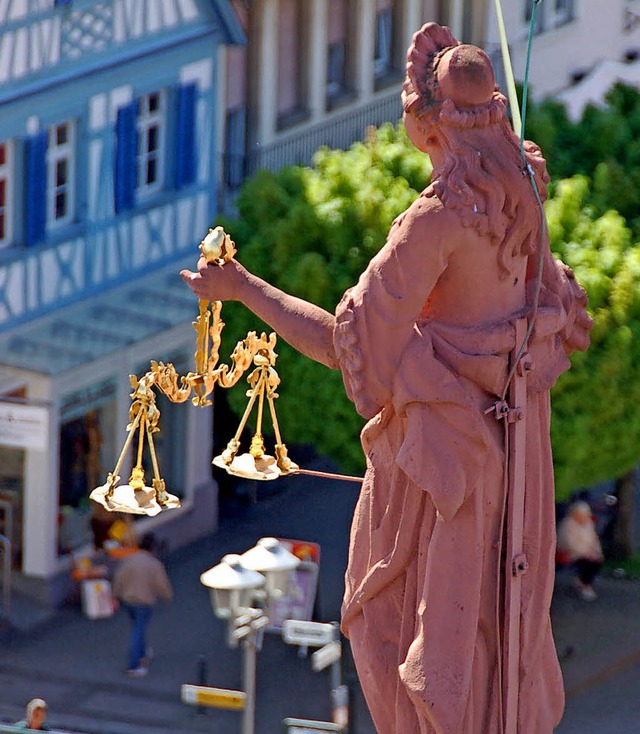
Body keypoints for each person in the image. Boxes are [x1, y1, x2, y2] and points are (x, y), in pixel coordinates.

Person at [181, 22, 592, 734]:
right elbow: (550, 306)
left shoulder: (433, 223)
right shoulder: (524, 189)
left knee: (403, 639)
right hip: (516, 449)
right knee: (500, 630)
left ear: (423, 120)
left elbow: (348, 342)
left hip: (447, 468)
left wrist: (244, 287)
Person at [112, 531, 173, 677]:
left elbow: (119, 578)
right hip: (144, 601)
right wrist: (167, 596)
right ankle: (135, 664)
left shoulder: (128, 561)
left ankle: (143, 651)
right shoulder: (154, 564)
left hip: (128, 600)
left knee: (137, 627)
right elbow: (161, 584)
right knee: (138, 630)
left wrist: (115, 595)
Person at [557, 501, 604, 601]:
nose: (582, 517)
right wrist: (586, 553)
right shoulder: (567, 524)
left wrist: (596, 552)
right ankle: (585, 585)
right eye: (580, 514)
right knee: (587, 561)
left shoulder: (588, 524)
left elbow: (594, 540)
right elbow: (569, 544)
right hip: (570, 553)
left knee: (596, 560)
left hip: (586, 552)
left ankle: (585, 582)